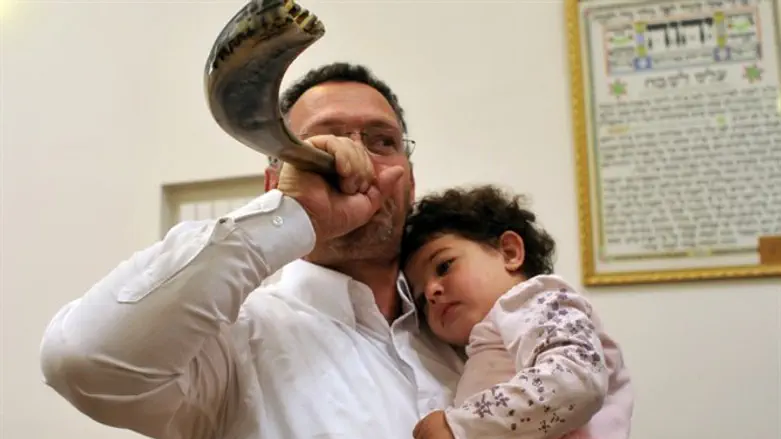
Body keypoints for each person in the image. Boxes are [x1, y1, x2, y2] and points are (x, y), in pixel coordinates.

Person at [39, 62, 465, 439]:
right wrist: (293, 215)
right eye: (324, 143)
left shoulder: (470, 332)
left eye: (382, 142)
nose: (357, 162)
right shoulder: (233, 343)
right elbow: (83, 360)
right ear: (274, 184)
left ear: (411, 180)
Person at [401, 185, 634, 439]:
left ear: (510, 252)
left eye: (444, 266)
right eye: (421, 299)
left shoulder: (539, 300)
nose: (432, 292)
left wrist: (460, 427)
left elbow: (578, 379)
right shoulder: (486, 338)